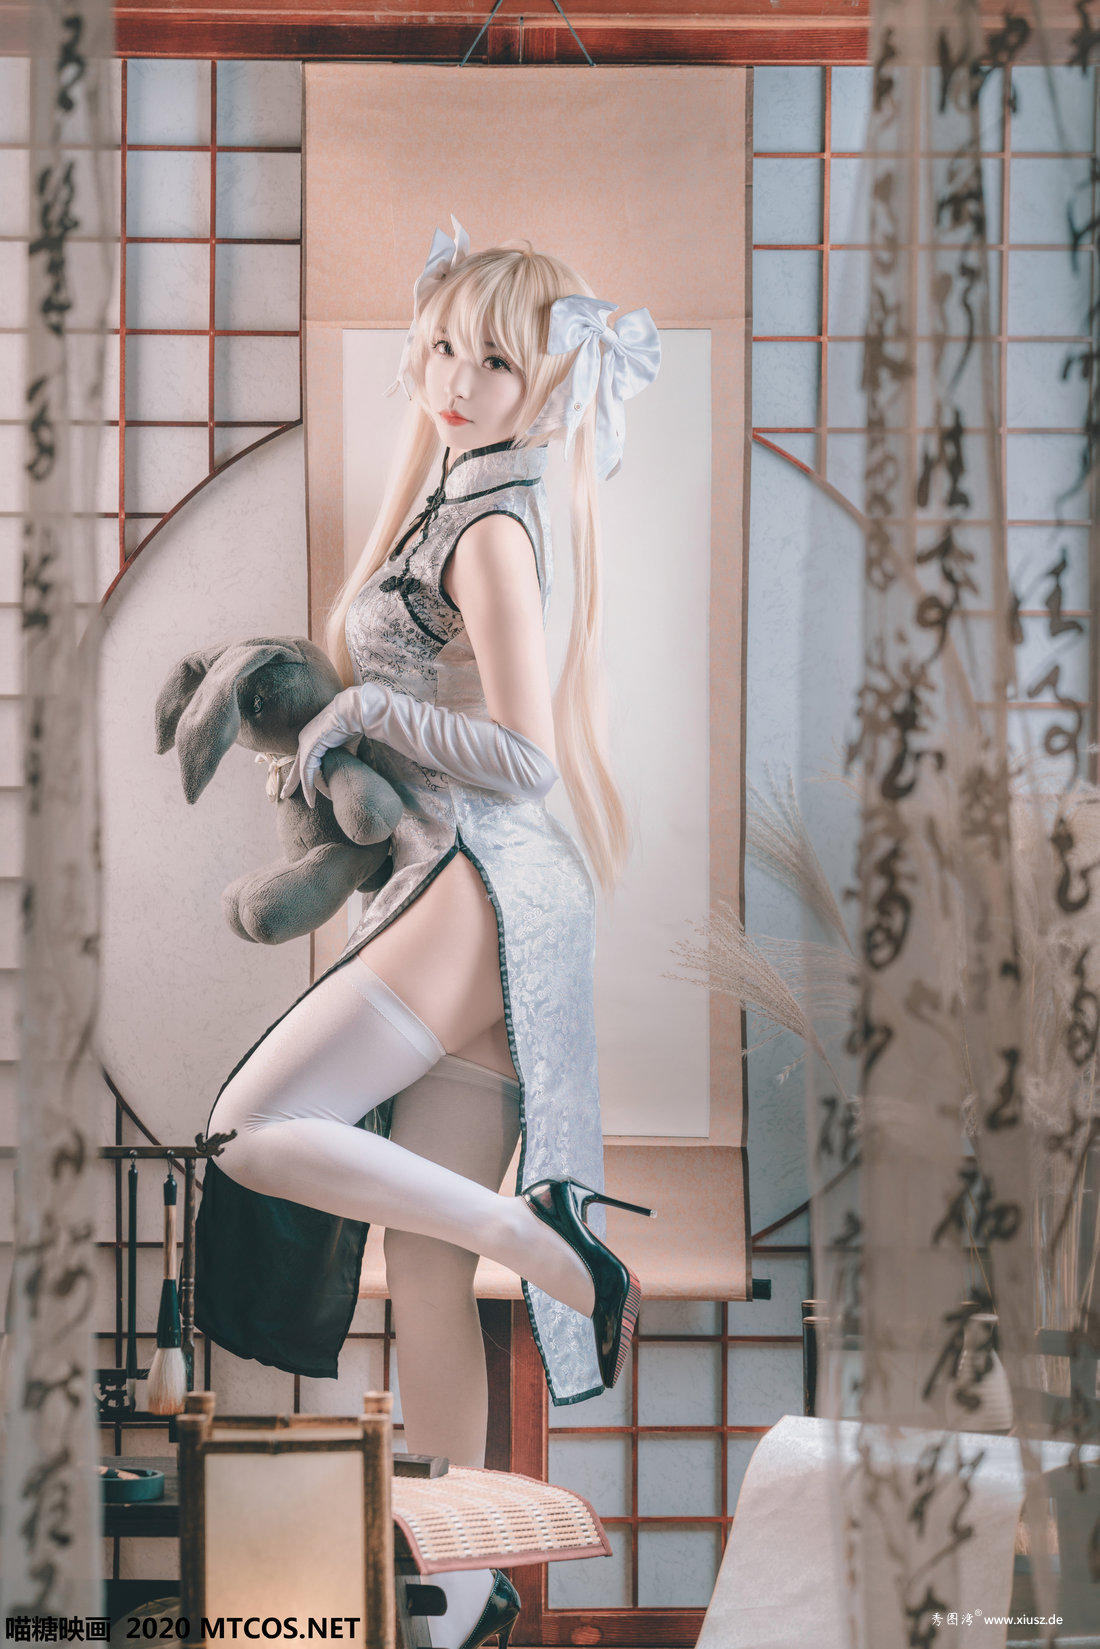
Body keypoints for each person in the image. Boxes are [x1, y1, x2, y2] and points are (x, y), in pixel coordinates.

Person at [195, 217, 660, 1649]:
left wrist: (359, 708)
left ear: (547, 380)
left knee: (250, 1128)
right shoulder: (457, 492)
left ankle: (548, 1240)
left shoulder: (495, 527)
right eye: (445, 347)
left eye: (495, 362)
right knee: (431, 1281)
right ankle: (458, 1600)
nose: (457, 380)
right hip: (484, 893)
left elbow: (523, 754)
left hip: (484, 880)